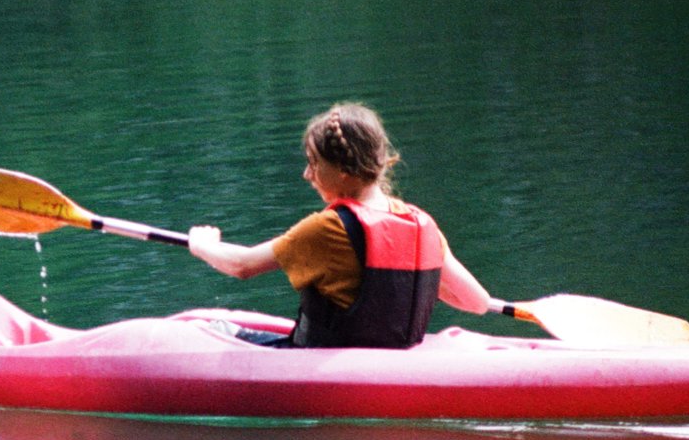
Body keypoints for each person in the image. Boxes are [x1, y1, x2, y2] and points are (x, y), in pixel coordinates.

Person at [188, 102, 491, 348]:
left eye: (314, 163)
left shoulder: (328, 228)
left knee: (213, 331)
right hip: (394, 364)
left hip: (320, 364)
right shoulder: (423, 226)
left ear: (344, 170)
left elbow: (242, 265)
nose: (307, 174)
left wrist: (202, 245)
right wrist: (412, 280)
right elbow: (478, 302)